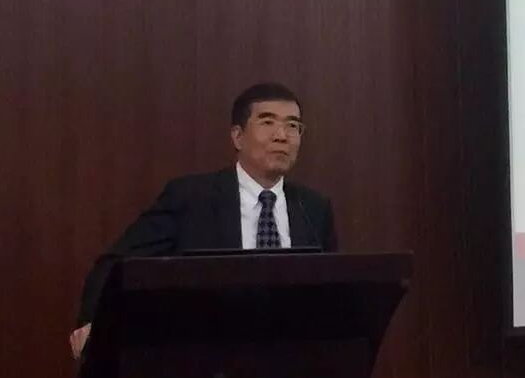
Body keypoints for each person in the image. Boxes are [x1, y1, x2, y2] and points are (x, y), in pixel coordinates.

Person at [68, 83, 337, 360]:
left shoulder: (314, 208)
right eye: (268, 122)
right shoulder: (191, 198)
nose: (282, 136)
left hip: (291, 356)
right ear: (238, 136)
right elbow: (116, 264)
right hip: (207, 356)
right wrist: (93, 322)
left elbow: (332, 290)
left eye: (292, 126)